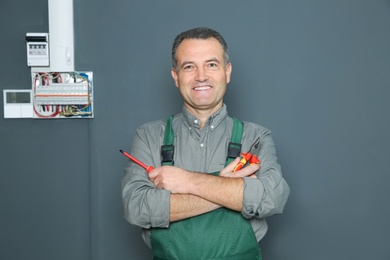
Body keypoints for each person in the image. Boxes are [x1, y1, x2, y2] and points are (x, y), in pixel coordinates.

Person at [121, 27, 290, 260]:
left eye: (211, 64)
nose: (201, 76)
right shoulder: (149, 136)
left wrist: (187, 181)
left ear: (227, 72)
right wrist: (229, 188)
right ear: (175, 76)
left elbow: (271, 198)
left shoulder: (256, 137)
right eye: (189, 66)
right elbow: (138, 208)